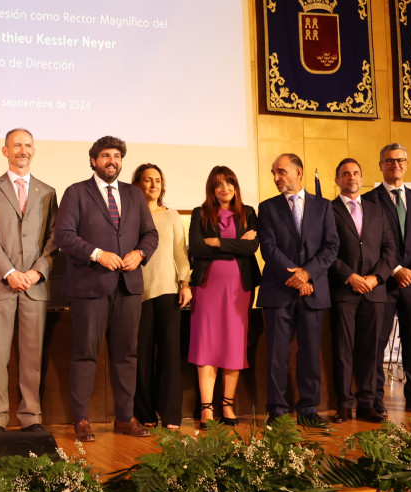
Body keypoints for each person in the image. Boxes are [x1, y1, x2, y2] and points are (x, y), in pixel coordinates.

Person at [56, 136, 158, 442]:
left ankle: (125, 418)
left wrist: (139, 254)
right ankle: (82, 420)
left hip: (128, 287)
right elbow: (64, 235)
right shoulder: (76, 193)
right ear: (93, 161)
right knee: (85, 354)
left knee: (127, 355)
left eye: (116, 156)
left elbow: (150, 234)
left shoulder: (134, 194)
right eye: (104, 156)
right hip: (90, 286)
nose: (111, 160)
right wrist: (98, 254)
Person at [0, 128, 58, 433]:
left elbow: (54, 238)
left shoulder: (48, 192)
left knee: (32, 357)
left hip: (35, 287)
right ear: (5, 150)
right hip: (1, 285)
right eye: (17, 145)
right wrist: (10, 272)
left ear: (33, 150)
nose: (23, 150)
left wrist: (36, 272)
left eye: (28, 145)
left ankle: (31, 418)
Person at [257, 153, 339, 427]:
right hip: (279, 290)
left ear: (298, 172)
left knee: (310, 353)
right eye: (273, 173)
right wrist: (296, 275)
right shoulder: (267, 208)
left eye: (281, 171)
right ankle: (277, 412)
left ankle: (308, 410)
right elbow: (269, 248)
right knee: (277, 356)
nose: (276, 178)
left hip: (313, 291)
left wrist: (307, 274)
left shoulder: (324, 206)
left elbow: (331, 247)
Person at [361, 143, 411, 414]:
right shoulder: (369, 201)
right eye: (390, 160)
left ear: (407, 164)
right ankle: (375, 398)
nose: (395, 165)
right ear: (381, 165)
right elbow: (370, 243)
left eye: (400, 160)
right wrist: (395, 270)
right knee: (377, 343)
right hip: (383, 282)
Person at [187, 166, 260, 427]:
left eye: (229, 183)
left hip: (239, 288)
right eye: (218, 184)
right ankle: (206, 409)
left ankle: (227, 405)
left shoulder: (248, 213)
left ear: (236, 186)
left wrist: (215, 242)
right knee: (206, 344)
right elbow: (196, 247)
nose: (224, 188)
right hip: (206, 288)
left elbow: (251, 247)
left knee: (233, 343)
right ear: (211, 189)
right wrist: (235, 244)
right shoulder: (200, 213)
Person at [328, 158, 396, 424]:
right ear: (337, 180)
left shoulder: (376, 210)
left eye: (356, 172)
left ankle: (367, 403)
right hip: (344, 291)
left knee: (372, 351)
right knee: (343, 350)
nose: (351, 177)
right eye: (345, 173)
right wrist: (350, 276)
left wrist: (376, 277)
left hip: (375, 291)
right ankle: (344, 404)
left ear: (362, 177)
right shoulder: (328, 210)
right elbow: (327, 251)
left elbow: (390, 250)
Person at [131, 163, 191, 430]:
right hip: (136, 293)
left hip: (168, 290)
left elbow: (181, 253)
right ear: (137, 184)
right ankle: (144, 412)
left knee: (169, 353)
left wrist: (185, 283)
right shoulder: (130, 215)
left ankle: (170, 415)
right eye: (147, 180)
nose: (153, 185)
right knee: (141, 354)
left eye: (157, 180)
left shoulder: (172, 215)